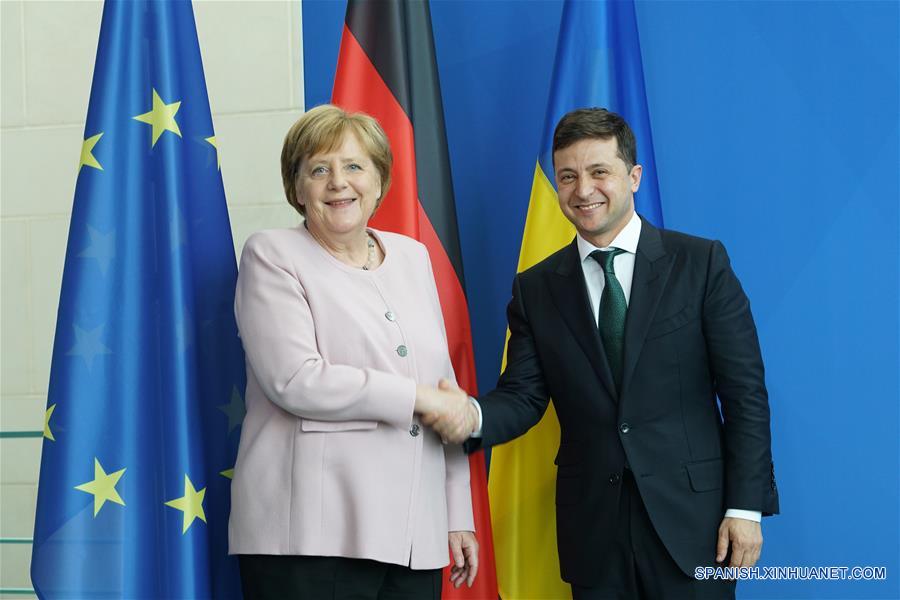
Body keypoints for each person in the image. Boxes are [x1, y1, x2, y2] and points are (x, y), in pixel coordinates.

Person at [433, 107, 779, 599]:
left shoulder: (700, 264)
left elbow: (744, 394)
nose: (583, 190)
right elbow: (524, 397)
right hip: (594, 530)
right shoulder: (536, 289)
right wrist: (468, 415)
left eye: (599, 172)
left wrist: (744, 508)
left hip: (694, 527)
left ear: (633, 177)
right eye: (568, 176)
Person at [228, 104, 478, 599]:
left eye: (354, 166)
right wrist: (417, 397)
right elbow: (296, 379)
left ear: (380, 181)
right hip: (311, 539)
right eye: (318, 169)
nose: (338, 182)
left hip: (414, 535)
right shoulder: (271, 255)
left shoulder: (413, 256)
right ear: (297, 189)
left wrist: (455, 512)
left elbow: (443, 390)